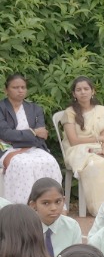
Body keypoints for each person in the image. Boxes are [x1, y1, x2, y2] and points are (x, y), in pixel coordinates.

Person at [58, 77, 104, 215]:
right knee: (96, 164)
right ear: (74, 94)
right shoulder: (70, 112)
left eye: (86, 89)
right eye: (79, 90)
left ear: (92, 91)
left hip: (100, 147)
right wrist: (98, 139)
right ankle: (101, 209)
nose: (83, 92)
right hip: (77, 150)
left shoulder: (102, 111)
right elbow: (73, 140)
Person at [1, 74, 62, 205]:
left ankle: (52, 204)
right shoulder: (1, 108)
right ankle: (22, 206)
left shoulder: (35, 109)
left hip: (34, 147)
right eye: (15, 87)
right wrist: (33, 132)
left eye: (23, 87)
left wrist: (18, 136)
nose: (20, 90)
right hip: (7, 149)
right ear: (6, 90)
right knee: (23, 164)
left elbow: (42, 136)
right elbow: (5, 134)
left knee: (49, 161)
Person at [32, 178, 82, 257]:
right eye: (46, 203)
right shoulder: (25, 229)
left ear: (64, 201)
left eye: (58, 202)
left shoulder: (72, 227)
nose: (53, 208)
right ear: (33, 205)